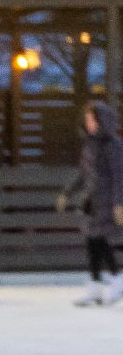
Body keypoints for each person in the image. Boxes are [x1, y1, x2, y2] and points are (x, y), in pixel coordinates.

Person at [56, 103, 123, 307]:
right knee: (93, 241)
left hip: (107, 201)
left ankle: (115, 279)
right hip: (92, 201)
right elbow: (84, 173)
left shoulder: (112, 145)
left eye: (92, 120)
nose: (89, 123)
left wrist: (118, 203)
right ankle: (98, 284)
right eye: (87, 120)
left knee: (99, 240)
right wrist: (67, 192)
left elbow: (119, 175)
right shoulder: (89, 144)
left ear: (102, 121)